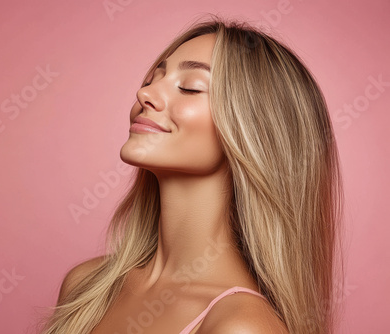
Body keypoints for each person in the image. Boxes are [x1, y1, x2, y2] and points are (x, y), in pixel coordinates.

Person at [39, 15, 344, 334]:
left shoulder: (240, 326)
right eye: (150, 80)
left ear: (253, 131)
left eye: (190, 87)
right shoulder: (86, 286)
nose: (146, 95)